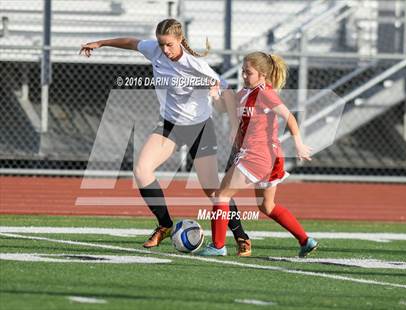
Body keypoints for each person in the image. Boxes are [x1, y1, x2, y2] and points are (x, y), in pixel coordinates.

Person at [79, 18, 252, 256]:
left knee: (213, 190)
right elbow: (131, 42)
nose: (164, 50)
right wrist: (101, 43)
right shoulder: (155, 51)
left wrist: (225, 109)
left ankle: (242, 236)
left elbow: (226, 91)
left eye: (169, 44)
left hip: (199, 128)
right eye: (161, 44)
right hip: (170, 126)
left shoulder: (196, 65)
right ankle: (165, 224)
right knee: (141, 170)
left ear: (180, 40)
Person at [197, 51, 319, 257]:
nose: (244, 76)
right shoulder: (244, 92)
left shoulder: (265, 93)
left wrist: (298, 143)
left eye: (249, 73)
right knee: (266, 206)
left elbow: (289, 116)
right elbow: (222, 109)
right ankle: (306, 240)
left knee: (221, 196)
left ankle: (218, 246)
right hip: (269, 158)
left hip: (257, 155)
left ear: (263, 75)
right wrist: (215, 94)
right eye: (243, 71)